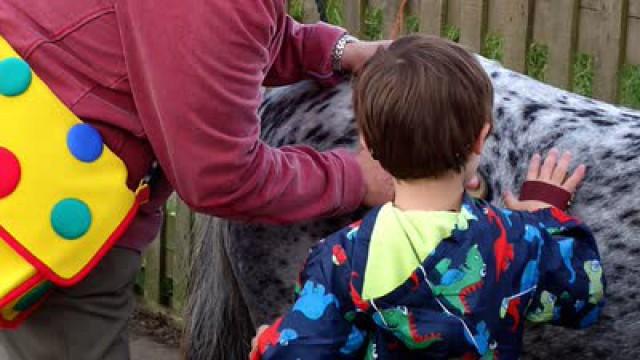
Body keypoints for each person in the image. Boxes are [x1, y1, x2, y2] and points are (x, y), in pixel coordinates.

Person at [0, 1, 405, 359]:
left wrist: (333, 51)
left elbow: (213, 38)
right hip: (46, 217)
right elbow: (219, 176)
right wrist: (353, 175)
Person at [249, 35, 605, 360]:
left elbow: (299, 350)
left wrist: (267, 342)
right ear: (482, 138)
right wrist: (545, 214)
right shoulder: (517, 241)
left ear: (368, 147)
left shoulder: (342, 259)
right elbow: (583, 295)